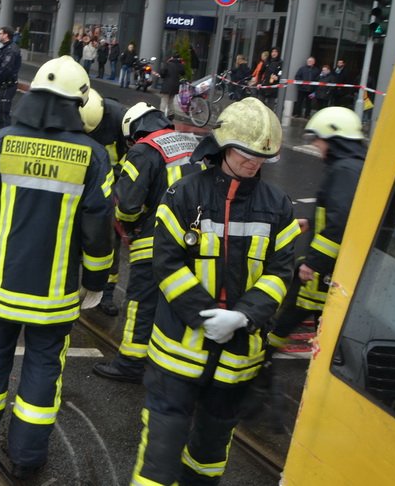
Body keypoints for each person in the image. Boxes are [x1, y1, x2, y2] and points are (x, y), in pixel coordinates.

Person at [0, 56, 113, 479]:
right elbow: (98, 232)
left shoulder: (0, 143)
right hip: (54, 298)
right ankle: (27, 459)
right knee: (43, 373)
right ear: (78, 104)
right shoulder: (94, 157)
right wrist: (95, 282)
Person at [129, 97, 299, 486]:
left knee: (209, 459)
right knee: (159, 459)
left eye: (262, 156)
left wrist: (242, 316)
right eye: (245, 152)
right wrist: (206, 316)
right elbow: (166, 264)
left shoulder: (278, 208)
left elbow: (280, 272)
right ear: (223, 146)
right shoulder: (184, 195)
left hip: (236, 361)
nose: (253, 163)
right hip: (178, 355)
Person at [92, 102, 203, 382]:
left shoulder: (143, 150)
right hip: (197, 239)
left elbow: (127, 207)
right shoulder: (191, 141)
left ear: (134, 132)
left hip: (157, 239)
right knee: (181, 298)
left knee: (142, 300)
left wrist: (131, 222)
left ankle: (130, 362)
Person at [268, 107, 366, 351]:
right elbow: (343, 211)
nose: (317, 146)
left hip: (324, 272)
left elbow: (340, 223)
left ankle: (264, 360)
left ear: (335, 140)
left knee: (293, 312)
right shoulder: (353, 165)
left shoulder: (344, 170)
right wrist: (311, 223)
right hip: (333, 267)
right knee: (324, 324)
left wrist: (313, 263)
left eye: (319, 140)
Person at [80, 88, 129, 317]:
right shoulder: (78, 116)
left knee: (110, 241)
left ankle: (106, 292)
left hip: (113, 187)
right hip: (82, 185)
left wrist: (118, 182)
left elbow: (134, 157)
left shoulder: (120, 120)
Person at [158, 54, 185, 119]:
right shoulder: (180, 65)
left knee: (164, 100)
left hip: (167, 85)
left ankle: (161, 116)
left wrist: (162, 76)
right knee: (170, 101)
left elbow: (162, 72)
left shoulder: (168, 64)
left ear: (172, 57)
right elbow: (183, 73)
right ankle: (171, 115)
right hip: (175, 86)